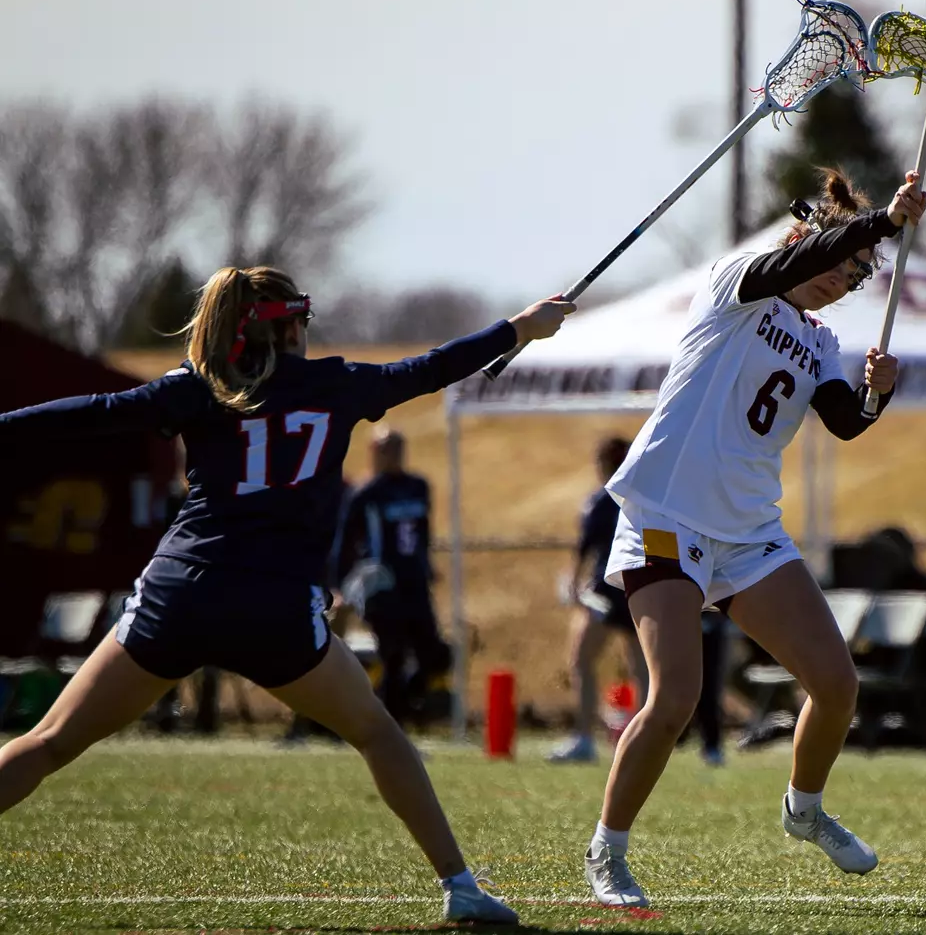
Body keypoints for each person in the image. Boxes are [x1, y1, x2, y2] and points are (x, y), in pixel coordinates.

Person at [0, 265, 574, 926]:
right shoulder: (336, 383)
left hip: (179, 591)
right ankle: (461, 887)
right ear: (291, 327)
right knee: (377, 734)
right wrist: (519, 329)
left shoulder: (201, 385)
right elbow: (433, 368)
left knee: (49, 742)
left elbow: (95, 413)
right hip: (272, 603)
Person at [581, 168, 926, 908]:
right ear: (807, 241)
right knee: (675, 697)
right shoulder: (737, 283)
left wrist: (877, 395)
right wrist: (884, 223)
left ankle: (805, 809)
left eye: (856, 276)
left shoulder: (819, 339)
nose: (841, 280)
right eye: (839, 261)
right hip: (667, 513)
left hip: (747, 532)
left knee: (836, 685)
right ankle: (607, 851)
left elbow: (844, 422)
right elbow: (796, 263)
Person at [335, 427, 451, 728]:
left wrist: (427, 564)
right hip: (382, 583)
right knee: (393, 653)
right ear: (374, 452)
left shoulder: (417, 485)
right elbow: (345, 541)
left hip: (414, 580)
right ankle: (392, 724)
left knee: (433, 652)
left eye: (398, 447)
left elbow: (422, 531)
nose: (395, 454)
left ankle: (408, 703)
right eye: (387, 448)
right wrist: (339, 584)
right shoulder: (365, 493)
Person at [547, 436, 649, 764]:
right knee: (642, 669)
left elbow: (585, 547)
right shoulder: (645, 498)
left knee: (582, 660)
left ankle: (585, 738)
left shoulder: (602, 500)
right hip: (639, 587)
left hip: (607, 592)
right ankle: (642, 741)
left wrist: (573, 584)